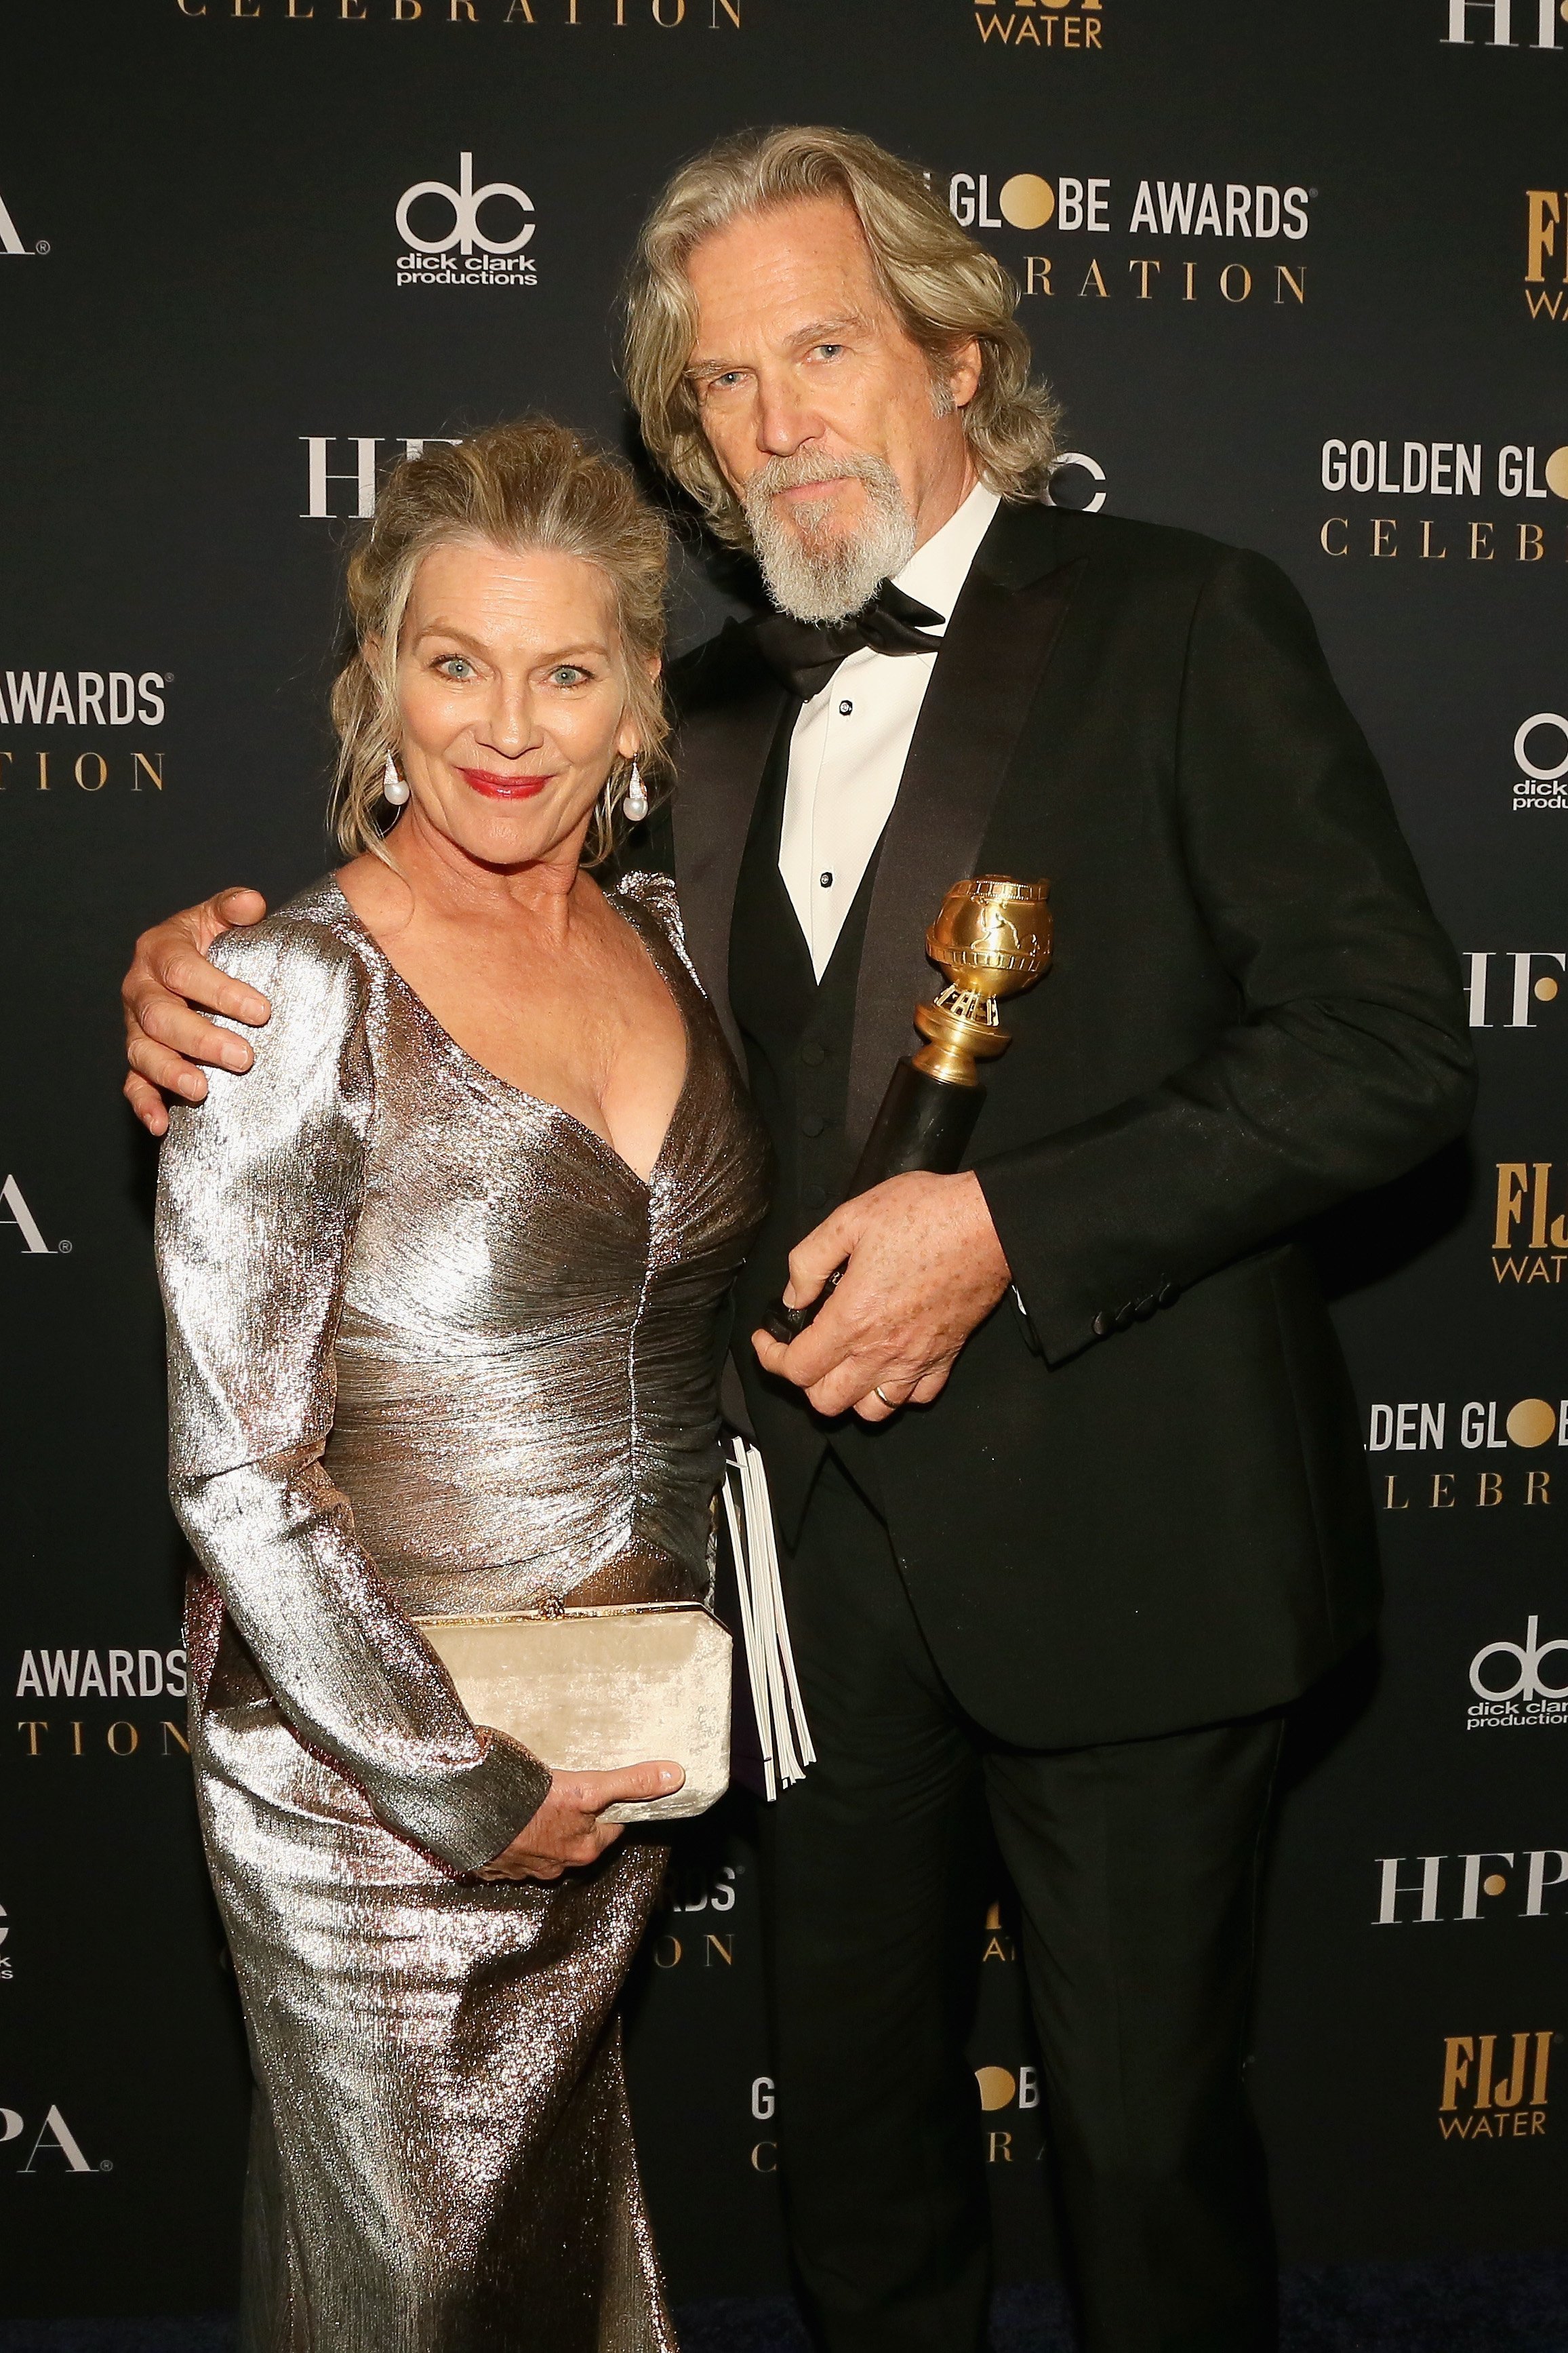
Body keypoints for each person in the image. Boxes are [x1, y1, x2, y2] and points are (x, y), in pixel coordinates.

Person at [125, 130, 1474, 2353]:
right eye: (724, 384)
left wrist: (1014, 1227)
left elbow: (1391, 1048)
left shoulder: (1183, 617)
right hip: (797, 1599)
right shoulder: (703, 714)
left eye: (823, 348)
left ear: (953, 348)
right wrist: (192, 975)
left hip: (1131, 1556)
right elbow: (475, 951)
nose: (776, 423)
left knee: (1141, 2162)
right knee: (853, 2164)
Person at [151, 417, 768, 2352]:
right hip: (365, 1782)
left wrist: (569, 1761)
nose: (507, 725)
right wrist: (457, 1782)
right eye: (454, 661)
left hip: (610, 1737)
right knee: (419, 2282)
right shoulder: (294, 995)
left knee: (531, 2243)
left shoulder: (675, 943)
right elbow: (239, 1472)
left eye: (566, 669)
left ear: (636, 702)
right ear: (378, 683)